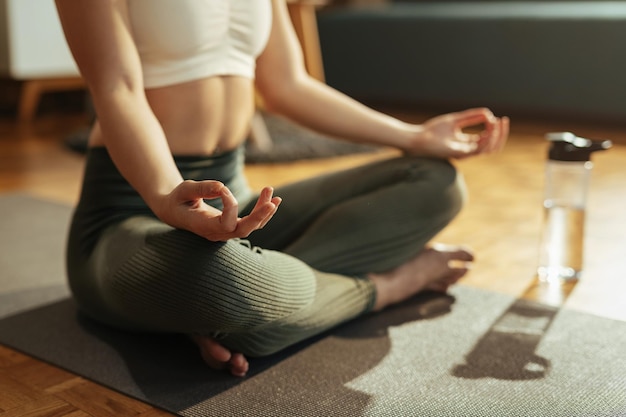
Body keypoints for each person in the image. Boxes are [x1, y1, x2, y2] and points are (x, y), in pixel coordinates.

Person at [55, 0, 509, 377]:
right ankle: (385, 287)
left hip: (234, 205)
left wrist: (413, 136)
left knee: (434, 181)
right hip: (132, 213)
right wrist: (166, 195)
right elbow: (117, 88)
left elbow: (287, 84)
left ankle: (230, 314)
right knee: (218, 281)